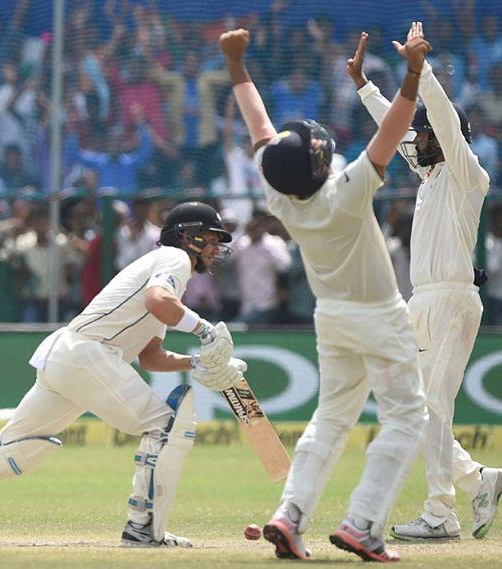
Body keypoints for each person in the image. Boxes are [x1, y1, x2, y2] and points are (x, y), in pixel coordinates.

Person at [0, 202, 247, 547]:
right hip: (89, 354)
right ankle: (143, 527)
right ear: (189, 236)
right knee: (166, 427)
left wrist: (196, 363)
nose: (216, 247)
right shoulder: (175, 258)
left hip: (71, 356)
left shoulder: (168, 276)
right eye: (212, 238)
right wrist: (205, 331)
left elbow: (150, 356)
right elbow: (158, 302)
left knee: (16, 448)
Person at [221, 23, 431, 562]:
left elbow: (259, 128)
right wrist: (410, 72)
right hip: (380, 315)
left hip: (331, 316)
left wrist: (237, 65)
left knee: (332, 418)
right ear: (318, 163)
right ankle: (363, 524)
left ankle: (289, 517)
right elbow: (395, 127)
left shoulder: (281, 195)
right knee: (407, 418)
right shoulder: (349, 190)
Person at [348, 30, 500, 542]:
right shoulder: (431, 177)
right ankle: (479, 481)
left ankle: (441, 512)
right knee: (414, 406)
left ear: (445, 134)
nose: (416, 140)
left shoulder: (465, 174)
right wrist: (364, 86)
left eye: (425, 133)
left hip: (451, 299)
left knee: (432, 408)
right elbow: (394, 131)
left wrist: (421, 70)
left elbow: (438, 118)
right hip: (427, 300)